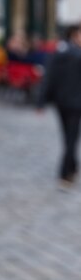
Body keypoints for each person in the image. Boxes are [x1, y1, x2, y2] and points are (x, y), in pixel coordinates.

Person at [37, 23, 81, 190]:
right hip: (75, 104)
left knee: (68, 136)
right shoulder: (77, 54)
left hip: (62, 103)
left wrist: (41, 101)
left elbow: (48, 78)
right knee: (71, 138)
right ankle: (65, 173)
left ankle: (73, 167)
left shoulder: (57, 52)